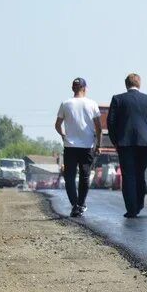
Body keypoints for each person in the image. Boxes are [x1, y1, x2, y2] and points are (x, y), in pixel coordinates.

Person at [107, 73, 147, 218]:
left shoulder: (117, 99)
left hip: (125, 143)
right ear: (139, 84)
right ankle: (139, 203)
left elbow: (110, 122)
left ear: (126, 85)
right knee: (139, 174)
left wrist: (115, 141)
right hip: (145, 143)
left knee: (129, 176)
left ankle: (132, 209)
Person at [55, 77, 101, 217]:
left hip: (70, 146)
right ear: (84, 88)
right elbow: (99, 128)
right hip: (87, 146)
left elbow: (57, 125)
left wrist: (63, 135)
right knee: (84, 176)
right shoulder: (92, 104)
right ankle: (80, 204)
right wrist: (98, 144)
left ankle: (75, 204)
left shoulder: (65, 104)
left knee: (69, 177)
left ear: (73, 89)